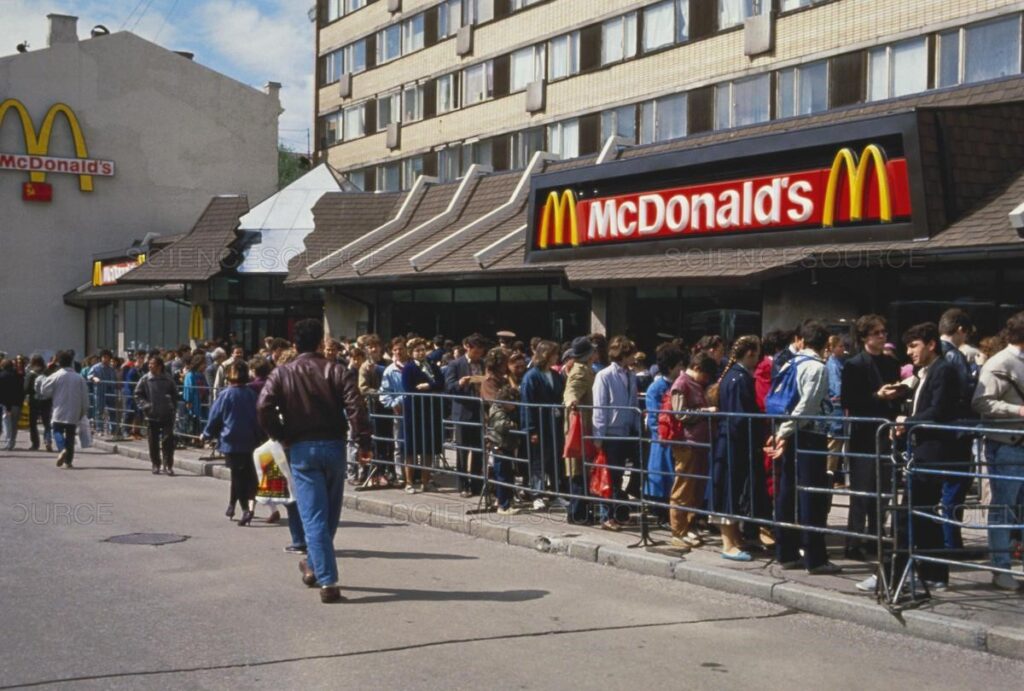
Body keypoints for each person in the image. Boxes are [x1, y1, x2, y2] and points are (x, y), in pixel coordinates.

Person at [257, 318, 371, 603]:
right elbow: (356, 406)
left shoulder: (282, 373)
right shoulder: (337, 370)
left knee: (315, 516)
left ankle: (326, 579)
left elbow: (263, 406)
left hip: (301, 448)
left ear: (295, 344)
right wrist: (364, 442)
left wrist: (281, 435)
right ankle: (317, 566)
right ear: (321, 343)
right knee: (330, 514)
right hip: (334, 446)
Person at [858, 323, 960, 594]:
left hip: (932, 453)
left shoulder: (943, 371)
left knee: (907, 516)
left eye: (914, 346)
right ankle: (934, 574)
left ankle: (891, 575)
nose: (909, 352)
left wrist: (908, 422)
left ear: (931, 345)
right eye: (907, 347)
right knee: (924, 515)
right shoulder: (923, 372)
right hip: (921, 451)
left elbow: (939, 411)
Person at [765, 320, 842, 575]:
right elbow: (807, 408)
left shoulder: (790, 362)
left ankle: (785, 551)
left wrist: (780, 432)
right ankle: (815, 558)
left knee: (786, 492)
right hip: (808, 435)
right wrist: (786, 431)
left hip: (788, 433)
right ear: (824, 344)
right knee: (812, 496)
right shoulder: (817, 367)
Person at [841, 315, 903, 561]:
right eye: (876, 332)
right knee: (862, 492)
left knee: (884, 491)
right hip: (864, 435)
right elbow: (849, 401)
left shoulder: (891, 363)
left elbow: (895, 398)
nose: (882, 336)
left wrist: (898, 395)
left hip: (885, 432)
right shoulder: (854, 364)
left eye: (884, 331)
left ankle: (877, 537)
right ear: (864, 337)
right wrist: (877, 396)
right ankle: (854, 541)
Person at [972, 311, 1024, 591]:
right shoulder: (999, 362)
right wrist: (1017, 409)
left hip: (1016, 443)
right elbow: (981, 402)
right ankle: (1000, 568)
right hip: (1007, 445)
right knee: (1003, 508)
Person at [709, 336, 766, 560]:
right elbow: (739, 417)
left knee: (733, 490)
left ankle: (736, 538)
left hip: (733, 442)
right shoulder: (738, 378)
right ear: (749, 353)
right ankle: (728, 544)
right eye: (757, 352)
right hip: (733, 443)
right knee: (728, 491)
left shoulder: (736, 376)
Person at [663, 353, 717, 548]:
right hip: (687, 443)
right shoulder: (682, 383)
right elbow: (679, 413)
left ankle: (689, 526)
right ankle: (678, 530)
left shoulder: (694, 385)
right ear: (699, 368)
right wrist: (705, 412)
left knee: (696, 488)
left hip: (699, 443)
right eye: (707, 375)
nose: (707, 380)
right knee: (683, 487)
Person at [937, 308, 978, 550]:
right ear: (960, 329)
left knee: (947, 487)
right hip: (957, 429)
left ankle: (949, 539)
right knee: (956, 485)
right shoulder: (954, 356)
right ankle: (951, 541)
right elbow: (965, 393)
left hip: (944, 430)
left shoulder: (937, 352)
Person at [203, 361, 261, 526]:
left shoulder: (226, 394)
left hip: (231, 440)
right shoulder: (252, 394)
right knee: (243, 475)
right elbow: (259, 417)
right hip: (250, 440)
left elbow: (215, 416)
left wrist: (207, 433)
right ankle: (232, 504)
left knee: (238, 476)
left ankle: (244, 509)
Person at [592, 336, 641, 530]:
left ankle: (619, 513)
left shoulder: (631, 375)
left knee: (621, 475)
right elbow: (600, 406)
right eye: (631, 354)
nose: (635, 358)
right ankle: (607, 516)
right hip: (611, 433)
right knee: (609, 476)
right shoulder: (604, 375)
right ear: (624, 354)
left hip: (627, 430)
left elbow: (634, 402)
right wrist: (599, 435)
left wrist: (636, 427)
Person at [521, 340, 566, 511]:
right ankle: (537, 494)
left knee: (554, 460)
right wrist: (531, 429)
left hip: (554, 424)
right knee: (537, 460)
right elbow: (527, 404)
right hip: (539, 425)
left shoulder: (556, 375)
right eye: (554, 354)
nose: (557, 357)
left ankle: (554, 493)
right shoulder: (531, 376)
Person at [644, 342, 687, 519]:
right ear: (670, 367)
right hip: (663, 440)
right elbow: (653, 417)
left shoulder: (681, 385)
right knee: (662, 477)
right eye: (679, 365)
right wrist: (664, 435)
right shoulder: (656, 388)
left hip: (678, 438)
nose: (682, 368)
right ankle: (660, 511)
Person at [446, 333, 488, 497]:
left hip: (479, 410)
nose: (478, 355)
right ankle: (462, 484)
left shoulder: (483, 363)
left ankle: (477, 484)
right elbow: (449, 387)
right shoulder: (455, 364)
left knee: (478, 449)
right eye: (476, 352)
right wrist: (460, 383)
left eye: (480, 352)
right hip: (463, 412)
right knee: (463, 450)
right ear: (467, 348)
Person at [401, 337, 445, 493]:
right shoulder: (408, 368)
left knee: (428, 448)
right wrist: (423, 389)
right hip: (413, 411)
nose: (421, 353)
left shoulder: (432, 365)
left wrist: (429, 386)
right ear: (411, 353)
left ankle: (425, 481)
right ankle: (409, 482)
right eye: (417, 350)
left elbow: (441, 382)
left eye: (422, 350)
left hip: (430, 410)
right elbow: (408, 389)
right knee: (412, 449)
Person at [562, 337, 598, 524]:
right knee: (578, 471)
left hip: (585, 427)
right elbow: (571, 390)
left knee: (582, 471)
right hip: (579, 427)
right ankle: (577, 513)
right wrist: (571, 401)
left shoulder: (586, 369)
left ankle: (580, 511)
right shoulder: (580, 371)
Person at [38, 351, 89, 468]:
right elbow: (85, 395)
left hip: (59, 409)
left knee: (57, 430)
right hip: (74, 410)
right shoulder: (79, 377)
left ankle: (62, 449)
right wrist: (84, 410)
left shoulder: (56, 375)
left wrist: (51, 393)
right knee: (70, 435)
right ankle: (68, 461)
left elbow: (44, 389)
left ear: (59, 363)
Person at [134, 356, 179, 475]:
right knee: (153, 442)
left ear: (159, 366)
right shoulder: (145, 379)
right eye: (149, 364)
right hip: (151, 415)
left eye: (152, 364)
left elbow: (175, 395)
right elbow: (138, 395)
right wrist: (146, 406)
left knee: (168, 441)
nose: (150, 366)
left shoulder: (168, 379)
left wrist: (172, 407)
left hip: (167, 414)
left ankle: (168, 465)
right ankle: (155, 464)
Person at [486, 384, 522, 516]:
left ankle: (504, 501)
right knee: (502, 476)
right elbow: (501, 426)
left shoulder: (504, 410)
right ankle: (503, 505)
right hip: (500, 446)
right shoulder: (499, 412)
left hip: (506, 445)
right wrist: (515, 424)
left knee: (507, 475)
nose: (515, 405)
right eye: (513, 402)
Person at [25, 355, 53, 452]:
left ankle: (35, 444)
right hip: (47, 401)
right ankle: (48, 440)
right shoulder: (48, 372)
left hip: (34, 401)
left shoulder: (31, 374)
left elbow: (26, 389)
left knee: (33, 423)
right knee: (46, 422)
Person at [87, 350, 118, 438]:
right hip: (100, 392)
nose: (106, 359)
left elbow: (115, 379)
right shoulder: (96, 367)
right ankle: (99, 429)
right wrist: (95, 378)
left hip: (110, 391)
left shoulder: (111, 369)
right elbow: (89, 376)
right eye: (104, 357)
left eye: (107, 357)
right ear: (101, 358)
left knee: (112, 411)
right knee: (99, 411)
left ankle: (113, 430)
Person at [0, 359, 25, 450]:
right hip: (17, 403)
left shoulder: (2, 376)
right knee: (14, 425)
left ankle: (8, 443)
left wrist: (7, 406)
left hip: (5, 404)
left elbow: (3, 392)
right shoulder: (19, 376)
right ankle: (12, 442)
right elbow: (22, 391)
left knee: (7, 424)